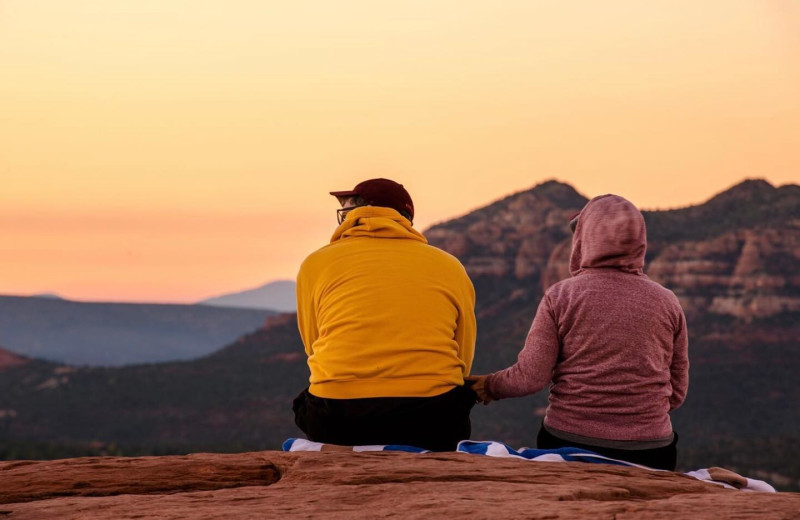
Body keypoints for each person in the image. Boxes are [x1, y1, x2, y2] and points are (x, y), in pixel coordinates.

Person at [468, 194, 689, 470]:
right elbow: (677, 392)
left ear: (585, 241)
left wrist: (489, 386)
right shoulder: (667, 301)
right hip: (651, 450)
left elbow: (531, 377)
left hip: (571, 443)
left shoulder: (561, 296)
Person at [294, 177, 478, 451]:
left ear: (352, 216)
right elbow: (463, 356)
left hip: (337, 419)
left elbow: (312, 344)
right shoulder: (449, 266)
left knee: (302, 403)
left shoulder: (315, 264)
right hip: (431, 418)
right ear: (405, 219)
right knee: (459, 394)